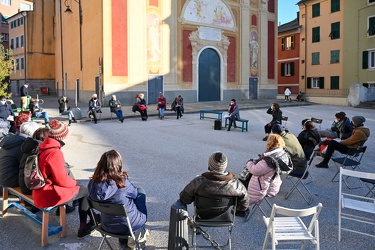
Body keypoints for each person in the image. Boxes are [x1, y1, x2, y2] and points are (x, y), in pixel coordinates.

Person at [32, 119, 98, 239]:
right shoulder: (54, 152)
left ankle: (94, 218)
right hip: (49, 193)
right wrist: (74, 183)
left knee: (80, 189)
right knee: (85, 191)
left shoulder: (43, 147)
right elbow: (62, 180)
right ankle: (84, 227)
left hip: (40, 190)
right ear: (61, 136)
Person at [88, 150, 148, 249]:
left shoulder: (92, 183)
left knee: (121, 203)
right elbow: (135, 194)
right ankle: (138, 233)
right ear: (117, 165)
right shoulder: (122, 182)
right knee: (140, 192)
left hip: (106, 225)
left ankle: (123, 242)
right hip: (129, 226)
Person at [179, 151, 249, 217]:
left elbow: (184, 198)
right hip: (223, 216)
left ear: (210, 165)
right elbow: (245, 202)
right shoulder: (236, 184)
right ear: (225, 166)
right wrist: (241, 209)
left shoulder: (199, 181)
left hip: (201, 215)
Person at [246, 134, 292, 205]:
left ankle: (241, 209)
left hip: (260, 190)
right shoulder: (282, 153)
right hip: (273, 185)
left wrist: (249, 162)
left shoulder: (270, 160)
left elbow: (254, 170)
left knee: (242, 180)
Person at [0, 122, 39, 187]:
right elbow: (27, 165)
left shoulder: (11, 140)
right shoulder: (24, 144)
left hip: (3, 178)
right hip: (10, 181)